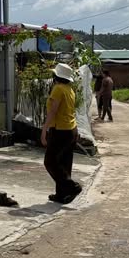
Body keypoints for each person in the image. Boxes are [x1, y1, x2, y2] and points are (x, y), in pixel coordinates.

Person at [40, 62, 82, 204]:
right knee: (64, 163)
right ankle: (62, 195)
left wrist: (44, 130)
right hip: (71, 129)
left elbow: (53, 111)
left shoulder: (58, 89)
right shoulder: (70, 90)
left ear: (56, 76)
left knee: (50, 162)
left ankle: (73, 187)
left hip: (60, 130)